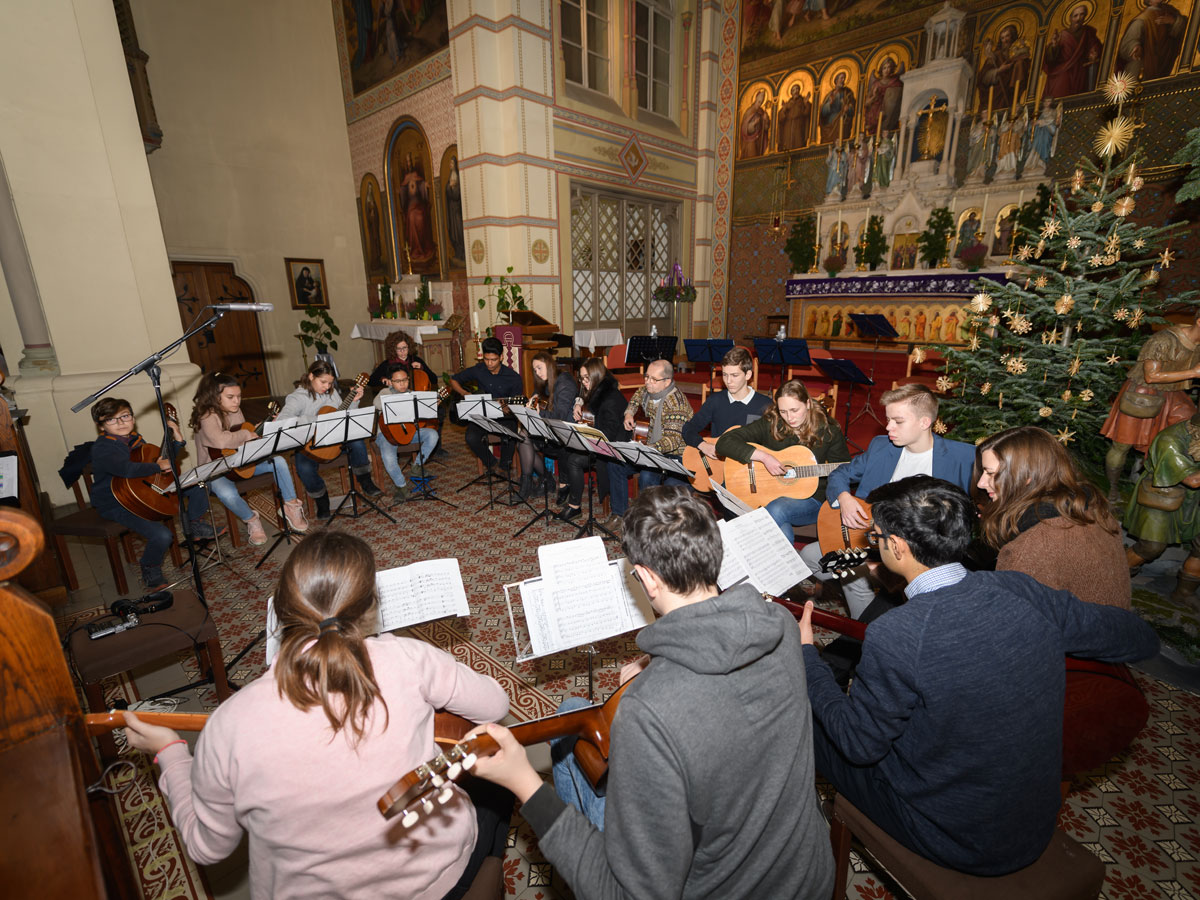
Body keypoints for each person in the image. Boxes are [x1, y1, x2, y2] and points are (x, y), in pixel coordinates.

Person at [468, 486, 835, 900]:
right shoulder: (781, 627)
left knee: (571, 732)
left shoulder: (649, 710)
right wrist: (655, 672)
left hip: (724, 886)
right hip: (807, 872)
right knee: (576, 713)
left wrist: (523, 784)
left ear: (646, 578)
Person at [798, 475, 1159, 876]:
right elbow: (1139, 639)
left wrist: (808, 657)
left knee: (803, 712)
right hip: (1032, 822)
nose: (874, 544)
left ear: (897, 546)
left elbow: (858, 745)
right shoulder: (1021, 589)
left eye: (877, 536)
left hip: (953, 835)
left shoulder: (897, 634)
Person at [122, 531, 512, 900]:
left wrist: (170, 751)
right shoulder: (408, 658)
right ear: (371, 607)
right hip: (439, 879)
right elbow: (495, 707)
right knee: (495, 772)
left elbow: (207, 847)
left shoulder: (230, 723)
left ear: (283, 614)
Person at [799, 383, 975, 617]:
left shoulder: (963, 456)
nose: (888, 427)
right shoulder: (881, 446)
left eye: (898, 421)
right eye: (888, 419)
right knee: (809, 557)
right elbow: (841, 473)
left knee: (853, 577)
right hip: (871, 542)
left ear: (924, 422)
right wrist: (844, 498)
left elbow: (969, 515)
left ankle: (865, 629)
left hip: (921, 556)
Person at [978, 425, 1128, 607]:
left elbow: (1017, 622)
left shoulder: (1033, 546)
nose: (981, 483)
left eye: (990, 473)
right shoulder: (1091, 509)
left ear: (1026, 476)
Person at [89, 397, 219, 590]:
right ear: (101, 426)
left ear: (133, 418)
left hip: (143, 491)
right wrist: (156, 466)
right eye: (112, 419)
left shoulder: (136, 440)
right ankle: (150, 567)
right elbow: (126, 469)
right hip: (116, 502)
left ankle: (195, 523)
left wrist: (177, 439)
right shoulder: (103, 447)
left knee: (199, 483)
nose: (121, 422)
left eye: (125, 416)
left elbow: (160, 459)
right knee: (162, 536)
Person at [716, 379, 849, 542]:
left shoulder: (829, 431)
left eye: (794, 410)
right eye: (783, 411)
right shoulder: (772, 422)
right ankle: (782, 566)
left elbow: (845, 471)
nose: (789, 417)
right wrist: (764, 457)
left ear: (807, 403)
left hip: (813, 498)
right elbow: (724, 442)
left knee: (777, 509)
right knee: (778, 523)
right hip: (770, 492)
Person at [191, 373, 309, 546]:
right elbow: (221, 440)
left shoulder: (235, 411)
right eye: (230, 397)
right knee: (227, 494)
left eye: (238, 397)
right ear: (214, 397)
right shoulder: (207, 416)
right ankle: (252, 519)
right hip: (216, 470)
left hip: (240, 463)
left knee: (279, 462)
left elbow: (241, 438)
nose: (236, 402)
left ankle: (291, 506)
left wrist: (261, 430)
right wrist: (248, 434)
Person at [1101, 311, 1200, 502]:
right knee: (1122, 444)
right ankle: (1111, 490)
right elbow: (1151, 376)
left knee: (1185, 430)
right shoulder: (1164, 340)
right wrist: (1193, 373)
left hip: (1173, 395)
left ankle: (1155, 486)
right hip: (1143, 394)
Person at [280, 361, 383, 520]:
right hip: (310, 444)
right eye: (323, 382)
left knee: (356, 440)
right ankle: (322, 501)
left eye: (330, 383)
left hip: (335, 438)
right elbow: (284, 419)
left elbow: (343, 417)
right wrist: (317, 420)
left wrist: (354, 401)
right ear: (311, 376)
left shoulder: (332, 392)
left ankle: (365, 480)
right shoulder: (297, 397)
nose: (327, 387)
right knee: (304, 468)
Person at [1124, 413, 1200, 605]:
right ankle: (1113, 577)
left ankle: (1184, 592)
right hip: (1163, 494)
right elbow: (1193, 480)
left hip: (1194, 500)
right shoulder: (1171, 439)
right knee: (1151, 547)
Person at [518, 352, 584, 518]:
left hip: (565, 435)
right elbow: (538, 398)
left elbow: (560, 416)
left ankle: (545, 482)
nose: (538, 373)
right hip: (550, 430)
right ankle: (536, 480)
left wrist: (537, 414)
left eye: (540, 368)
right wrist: (532, 402)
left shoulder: (565, 382)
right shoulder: (544, 382)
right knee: (523, 437)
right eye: (535, 370)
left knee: (525, 438)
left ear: (549, 364)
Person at [681, 347, 770, 468]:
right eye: (725, 375)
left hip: (746, 471)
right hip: (717, 466)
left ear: (748, 374)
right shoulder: (715, 400)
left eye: (734, 375)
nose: (728, 381)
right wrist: (703, 445)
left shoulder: (766, 405)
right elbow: (688, 429)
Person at [450, 336, 524, 478]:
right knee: (471, 437)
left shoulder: (513, 378)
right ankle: (491, 463)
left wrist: (507, 408)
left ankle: (504, 467)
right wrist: (465, 393)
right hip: (483, 416)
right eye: (486, 359)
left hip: (504, 417)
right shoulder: (479, 370)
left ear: (501, 357)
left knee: (510, 433)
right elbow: (453, 380)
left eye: (493, 360)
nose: (489, 363)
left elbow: (516, 406)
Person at [575, 357, 634, 528]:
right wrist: (578, 403)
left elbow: (607, 436)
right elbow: (579, 392)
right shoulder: (601, 390)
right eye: (581, 378)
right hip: (610, 443)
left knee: (611, 465)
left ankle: (619, 514)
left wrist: (585, 433)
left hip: (618, 447)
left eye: (587, 378)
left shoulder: (608, 401)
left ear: (596, 376)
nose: (583, 382)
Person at [623, 359, 694, 491]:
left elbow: (672, 441)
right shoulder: (649, 391)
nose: (647, 382)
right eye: (647, 376)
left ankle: (651, 510)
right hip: (652, 450)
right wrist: (629, 413)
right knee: (615, 464)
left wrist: (648, 449)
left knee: (647, 476)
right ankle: (619, 511)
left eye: (654, 379)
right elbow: (637, 395)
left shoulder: (676, 403)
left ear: (667, 382)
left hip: (677, 456)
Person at [373, 365, 440, 502]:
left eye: (405, 380)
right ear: (390, 381)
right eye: (398, 381)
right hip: (387, 436)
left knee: (432, 434)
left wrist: (430, 406)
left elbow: (421, 419)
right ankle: (401, 486)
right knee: (389, 458)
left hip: (409, 432)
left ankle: (417, 466)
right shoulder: (385, 392)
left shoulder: (413, 395)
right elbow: (376, 404)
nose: (402, 383)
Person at [1041, 3, 1103, 100]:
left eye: (1082, 15)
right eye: (1075, 16)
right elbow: (1049, 60)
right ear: (1070, 18)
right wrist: (1054, 45)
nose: (1078, 18)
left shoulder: (1088, 32)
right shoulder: (1062, 36)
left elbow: (1096, 46)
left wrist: (1094, 52)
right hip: (1062, 72)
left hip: (1080, 71)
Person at [1115, 0, 1188, 82]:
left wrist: (1173, 21)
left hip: (1163, 64)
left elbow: (1187, 26)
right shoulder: (1143, 19)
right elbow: (1128, 42)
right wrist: (1134, 46)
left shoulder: (1170, 10)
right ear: (1149, 1)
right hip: (1143, 67)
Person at [819, 71, 855, 143]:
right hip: (830, 121)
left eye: (844, 78)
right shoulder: (830, 95)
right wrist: (829, 104)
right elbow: (822, 112)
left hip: (842, 120)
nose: (843, 80)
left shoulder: (847, 92)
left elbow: (852, 108)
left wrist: (848, 108)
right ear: (836, 80)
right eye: (841, 78)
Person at [777, 83, 811, 151]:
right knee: (787, 146)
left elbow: (807, 113)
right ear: (791, 93)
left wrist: (806, 104)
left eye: (797, 89)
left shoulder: (802, 101)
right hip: (788, 128)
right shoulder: (788, 104)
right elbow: (780, 118)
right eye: (793, 90)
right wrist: (784, 110)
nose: (796, 91)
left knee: (799, 144)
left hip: (799, 125)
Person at [739, 89, 771, 158]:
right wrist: (754, 123)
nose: (760, 103)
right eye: (759, 101)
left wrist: (766, 120)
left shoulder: (762, 111)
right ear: (756, 99)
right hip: (750, 141)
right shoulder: (750, 111)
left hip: (759, 140)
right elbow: (744, 128)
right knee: (751, 156)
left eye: (761, 102)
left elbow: (766, 127)